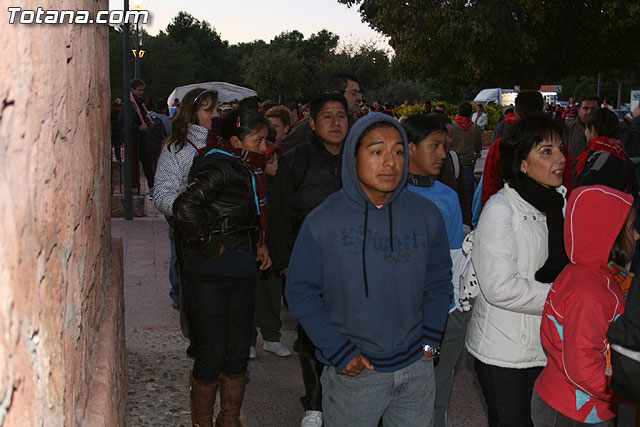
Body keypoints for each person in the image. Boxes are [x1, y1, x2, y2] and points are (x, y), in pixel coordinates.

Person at [286, 112, 452, 427]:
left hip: (416, 367)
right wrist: (339, 351)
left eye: (399, 151)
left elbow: (439, 279)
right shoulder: (323, 221)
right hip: (356, 372)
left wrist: (431, 339)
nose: (390, 162)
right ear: (354, 156)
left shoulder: (427, 215)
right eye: (377, 151)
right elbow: (300, 291)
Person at [466, 112, 569, 427]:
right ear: (523, 163)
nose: (561, 159)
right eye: (547, 152)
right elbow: (500, 288)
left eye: (561, 149)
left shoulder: (559, 203)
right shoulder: (501, 210)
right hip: (505, 353)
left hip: (548, 344)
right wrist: (566, 297)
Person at [173, 108, 272, 427]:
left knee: (238, 351)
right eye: (258, 140)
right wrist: (211, 246)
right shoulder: (221, 165)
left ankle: (229, 419)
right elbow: (185, 206)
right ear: (235, 140)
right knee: (213, 352)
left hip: (239, 271)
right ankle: (202, 421)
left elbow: (244, 214)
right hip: (211, 275)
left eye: (265, 140)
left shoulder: (242, 167)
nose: (264, 147)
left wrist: (258, 242)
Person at [268, 92, 349, 427]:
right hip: (309, 265)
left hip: (354, 267)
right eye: (327, 116)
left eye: (341, 115)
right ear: (312, 123)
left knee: (351, 332)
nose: (335, 122)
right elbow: (279, 216)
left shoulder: (362, 159)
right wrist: (286, 263)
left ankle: (347, 397)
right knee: (312, 334)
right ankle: (314, 404)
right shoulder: (295, 160)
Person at [532, 185, 638, 426]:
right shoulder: (590, 294)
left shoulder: (583, 272)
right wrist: (625, 390)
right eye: (631, 228)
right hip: (576, 409)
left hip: (570, 400)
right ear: (608, 235)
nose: (637, 235)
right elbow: (582, 368)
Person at [403, 115, 467, 427]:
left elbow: (455, 258)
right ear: (410, 148)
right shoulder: (388, 195)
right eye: (435, 146)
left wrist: (451, 315)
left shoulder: (448, 197)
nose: (443, 153)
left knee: (438, 395)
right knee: (403, 397)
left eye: (445, 146)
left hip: (445, 317)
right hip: (403, 320)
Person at [153, 88, 218, 310]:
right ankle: (180, 296)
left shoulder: (223, 143)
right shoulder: (176, 150)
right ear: (192, 113)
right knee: (181, 269)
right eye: (210, 110)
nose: (216, 115)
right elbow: (162, 193)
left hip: (219, 230)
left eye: (217, 109)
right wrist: (189, 211)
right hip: (186, 229)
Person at [481, 90, 573, 208]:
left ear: (516, 114)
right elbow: (567, 181)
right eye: (546, 152)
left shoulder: (501, 145)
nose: (560, 159)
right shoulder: (558, 145)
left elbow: (489, 187)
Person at [249, 143, 292, 359]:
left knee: (272, 295)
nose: (276, 164)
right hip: (252, 248)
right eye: (271, 160)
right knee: (250, 295)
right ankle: (249, 340)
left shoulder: (280, 184)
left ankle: (271, 338)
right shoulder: (252, 183)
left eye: (276, 160)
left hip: (274, 248)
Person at [278, 73, 362, 152]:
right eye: (353, 93)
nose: (359, 98)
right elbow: (281, 150)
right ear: (337, 94)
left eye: (359, 93)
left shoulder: (359, 125)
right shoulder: (308, 125)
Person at [575, 108, 638, 196]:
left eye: (586, 128)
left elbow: (583, 191)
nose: (585, 132)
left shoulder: (600, 160)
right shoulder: (622, 156)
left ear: (593, 131)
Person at [430, 113, 472, 228]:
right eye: (445, 136)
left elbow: (463, 199)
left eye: (451, 135)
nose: (449, 140)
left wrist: (465, 225)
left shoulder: (453, 160)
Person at [120, 78, 155, 192]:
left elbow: (142, 116)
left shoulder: (140, 103)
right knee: (133, 163)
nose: (141, 92)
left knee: (147, 162)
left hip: (142, 138)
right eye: (139, 90)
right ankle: (134, 186)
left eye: (142, 90)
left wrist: (148, 122)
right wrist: (138, 127)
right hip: (133, 138)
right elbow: (123, 120)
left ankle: (151, 186)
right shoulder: (129, 103)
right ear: (132, 90)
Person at [451, 102, 484, 206]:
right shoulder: (475, 128)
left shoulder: (451, 126)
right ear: (470, 113)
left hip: (452, 160)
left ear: (458, 111)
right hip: (468, 162)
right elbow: (478, 145)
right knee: (467, 191)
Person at [564, 94, 599, 169]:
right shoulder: (567, 129)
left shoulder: (606, 131)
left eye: (593, 109)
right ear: (579, 111)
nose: (589, 112)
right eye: (586, 108)